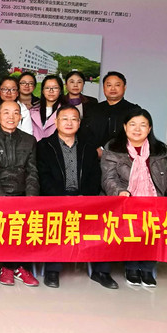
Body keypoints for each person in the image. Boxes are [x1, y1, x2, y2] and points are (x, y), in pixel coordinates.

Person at [101, 108, 167, 288]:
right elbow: (108, 178)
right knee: (133, 232)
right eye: (133, 124)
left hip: (153, 201)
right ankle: (131, 268)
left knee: (153, 233)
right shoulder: (113, 149)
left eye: (143, 125)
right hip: (126, 201)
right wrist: (120, 192)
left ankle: (147, 269)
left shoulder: (158, 151)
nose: (137, 129)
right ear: (125, 127)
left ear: (149, 128)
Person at [37, 106, 118, 289]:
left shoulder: (88, 148)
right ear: (56, 122)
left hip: (84, 198)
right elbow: (43, 177)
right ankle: (52, 270)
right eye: (64, 119)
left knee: (104, 222)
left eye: (73, 119)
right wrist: (62, 197)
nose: (69, 123)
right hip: (56, 199)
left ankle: (101, 272)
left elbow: (95, 176)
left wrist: (85, 197)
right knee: (56, 221)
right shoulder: (44, 146)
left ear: (79, 123)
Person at [0, 100, 39, 287]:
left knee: (30, 221)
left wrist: (30, 199)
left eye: (15, 113)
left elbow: (32, 173)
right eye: (6, 112)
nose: (11, 117)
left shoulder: (29, 141)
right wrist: (3, 199)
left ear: (20, 117)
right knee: (7, 220)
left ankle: (15, 267)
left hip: (22, 195)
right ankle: (11, 267)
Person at [82, 71, 140, 157]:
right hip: (93, 157)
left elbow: (136, 136)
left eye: (117, 85)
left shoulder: (133, 110)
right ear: (103, 88)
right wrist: (95, 150)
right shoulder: (93, 109)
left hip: (122, 158)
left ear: (124, 87)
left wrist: (106, 152)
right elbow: (85, 133)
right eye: (109, 85)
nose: (113, 89)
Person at [30, 75, 69, 141]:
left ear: (60, 91)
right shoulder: (32, 110)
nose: (51, 91)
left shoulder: (67, 111)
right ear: (42, 91)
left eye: (55, 88)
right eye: (47, 88)